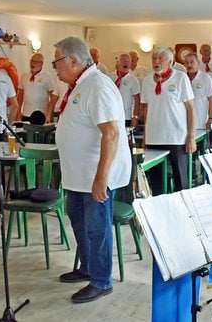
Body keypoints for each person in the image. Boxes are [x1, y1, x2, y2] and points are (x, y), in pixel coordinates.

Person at [53, 37, 131, 303]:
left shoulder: (97, 86)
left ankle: (101, 280)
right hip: (78, 175)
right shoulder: (80, 85)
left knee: (97, 227)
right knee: (78, 219)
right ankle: (87, 267)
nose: (55, 67)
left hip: (95, 176)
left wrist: (101, 178)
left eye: (57, 61)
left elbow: (111, 134)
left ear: (73, 61)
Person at [141, 47, 196, 195]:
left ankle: (185, 212)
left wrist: (191, 136)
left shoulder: (180, 78)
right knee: (156, 182)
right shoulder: (147, 80)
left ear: (170, 62)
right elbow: (146, 110)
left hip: (176, 137)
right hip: (154, 138)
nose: (156, 61)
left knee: (181, 181)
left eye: (160, 58)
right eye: (154, 58)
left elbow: (190, 108)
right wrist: (146, 137)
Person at [17, 53, 55, 122]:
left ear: (41, 64)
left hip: (41, 114)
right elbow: (20, 96)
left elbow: (53, 97)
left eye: (36, 62)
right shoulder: (24, 76)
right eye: (31, 61)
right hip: (26, 113)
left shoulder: (47, 76)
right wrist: (18, 111)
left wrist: (49, 114)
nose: (32, 63)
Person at [184, 52, 212, 130]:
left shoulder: (206, 78)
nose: (189, 65)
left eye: (192, 62)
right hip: (184, 124)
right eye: (187, 63)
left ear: (198, 63)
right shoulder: (182, 78)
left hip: (201, 123)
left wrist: (211, 118)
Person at [108, 53, 140, 127]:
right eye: (124, 61)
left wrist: (135, 117)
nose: (126, 63)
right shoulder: (109, 77)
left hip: (126, 116)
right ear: (118, 62)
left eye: (129, 61)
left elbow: (137, 100)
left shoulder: (133, 80)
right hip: (110, 115)